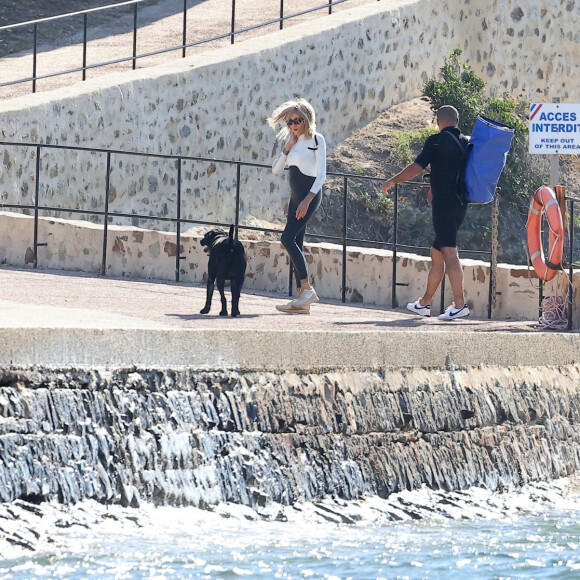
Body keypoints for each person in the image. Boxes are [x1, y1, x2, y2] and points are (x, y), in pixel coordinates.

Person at [381, 104, 470, 321]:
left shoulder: (436, 141)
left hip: (444, 206)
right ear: (457, 121)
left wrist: (393, 180)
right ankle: (424, 303)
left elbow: (416, 167)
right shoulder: (467, 142)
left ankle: (460, 305)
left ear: (439, 122)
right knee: (437, 253)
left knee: (449, 252)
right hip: (461, 204)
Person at [268, 97, 326, 314]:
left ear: (307, 119)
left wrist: (307, 200)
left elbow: (322, 176)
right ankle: (301, 302)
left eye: (297, 120)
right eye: (290, 122)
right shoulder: (293, 144)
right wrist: (287, 147)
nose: (293, 125)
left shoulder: (316, 140)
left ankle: (306, 288)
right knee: (296, 246)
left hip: (308, 197)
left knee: (287, 239)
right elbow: (275, 169)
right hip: (295, 199)